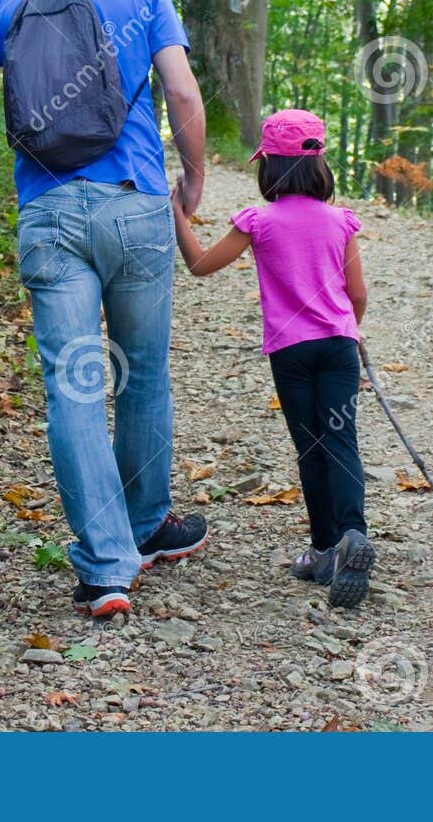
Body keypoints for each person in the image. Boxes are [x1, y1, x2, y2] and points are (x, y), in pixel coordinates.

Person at [0, 0, 209, 618]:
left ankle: (105, 566)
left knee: (74, 385)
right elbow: (182, 93)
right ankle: (149, 522)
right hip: (135, 208)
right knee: (145, 372)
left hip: (50, 212)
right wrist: (192, 175)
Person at [170, 109, 375, 608]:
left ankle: (324, 549)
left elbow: (200, 265)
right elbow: (358, 294)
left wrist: (175, 211)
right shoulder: (339, 221)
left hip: (291, 353)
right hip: (339, 347)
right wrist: (351, 332)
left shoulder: (259, 221)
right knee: (341, 439)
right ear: (320, 166)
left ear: (269, 169)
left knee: (311, 450)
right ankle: (353, 532)